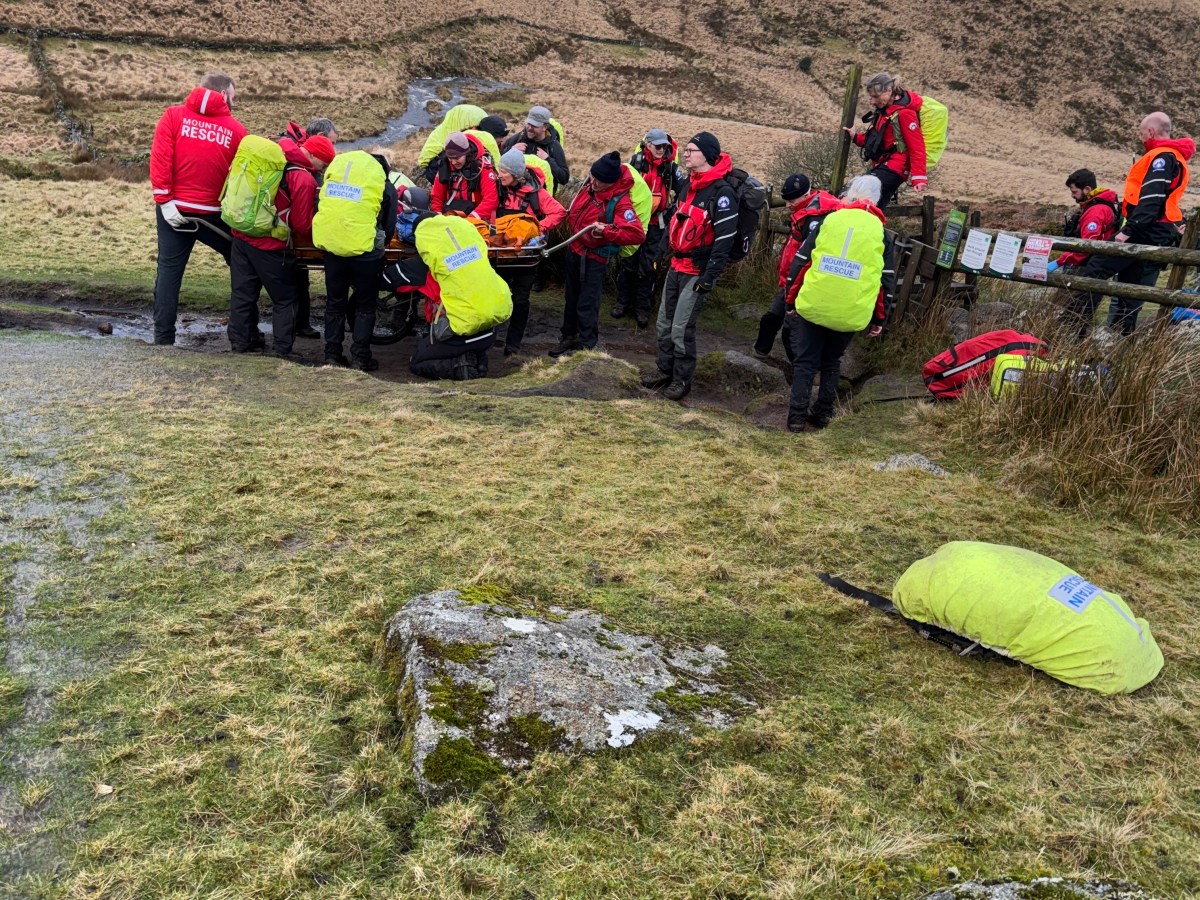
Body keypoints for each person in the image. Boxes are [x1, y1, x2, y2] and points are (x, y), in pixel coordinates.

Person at [1063, 113, 1194, 337]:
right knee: (1130, 287)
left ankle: (1072, 331)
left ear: (1151, 132)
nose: (1139, 135)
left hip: (1144, 229)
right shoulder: (1170, 155)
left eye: (1141, 131)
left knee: (1095, 270)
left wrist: (1128, 231)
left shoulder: (1161, 157)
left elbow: (1151, 199)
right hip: (1155, 229)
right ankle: (1122, 338)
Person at [780, 175, 894, 432]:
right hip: (851, 312)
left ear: (851, 193)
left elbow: (801, 262)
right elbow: (883, 281)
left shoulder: (830, 220)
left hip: (815, 303)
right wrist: (878, 319)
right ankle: (822, 414)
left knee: (806, 362)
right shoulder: (882, 234)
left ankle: (796, 419)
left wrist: (790, 299)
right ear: (877, 200)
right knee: (832, 361)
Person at [149, 72, 246, 345]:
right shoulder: (237, 130)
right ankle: (243, 332)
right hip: (214, 214)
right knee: (241, 262)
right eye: (233, 98)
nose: (234, 104)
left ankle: (164, 337)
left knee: (169, 271)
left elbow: (160, 158)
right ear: (224, 94)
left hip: (174, 208)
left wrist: (165, 200)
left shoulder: (172, 116)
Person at [641, 132, 738, 401]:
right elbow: (673, 220)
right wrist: (660, 252)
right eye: (686, 150)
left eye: (691, 150)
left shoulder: (722, 194)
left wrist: (709, 276)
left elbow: (725, 241)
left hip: (697, 271)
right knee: (663, 324)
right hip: (676, 266)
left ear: (707, 155)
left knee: (681, 329)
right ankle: (665, 370)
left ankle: (682, 380)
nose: (685, 154)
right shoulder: (690, 186)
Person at [227, 134, 334, 358]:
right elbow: (302, 225)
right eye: (323, 164)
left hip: (241, 236)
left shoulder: (276, 157)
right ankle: (282, 350)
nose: (322, 171)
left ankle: (240, 343)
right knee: (285, 299)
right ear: (312, 154)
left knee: (243, 294)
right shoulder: (303, 179)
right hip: (270, 246)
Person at [383, 210, 513, 380]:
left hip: (460, 331)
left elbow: (388, 280)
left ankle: (463, 368)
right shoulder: (476, 252)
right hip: (491, 328)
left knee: (417, 361)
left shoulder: (426, 266)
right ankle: (478, 360)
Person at [550, 151, 645, 357]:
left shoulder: (621, 203)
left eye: (598, 179)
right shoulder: (591, 187)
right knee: (571, 298)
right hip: (574, 250)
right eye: (592, 175)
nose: (592, 181)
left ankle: (586, 347)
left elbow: (636, 234)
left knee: (587, 303)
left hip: (594, 259)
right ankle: (568, 337)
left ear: (610, 182)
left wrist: (606, 231)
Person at [312, 150, 398, 371]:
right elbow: (389, 227)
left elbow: (319, 207)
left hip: (333, 250)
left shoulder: (336, 180)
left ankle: (332, 354)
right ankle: (361, 357)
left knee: (335, 303)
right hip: (366, 255)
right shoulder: (383, 185)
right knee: (365, 306)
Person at [753, 173, 845, 360]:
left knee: (792, 333)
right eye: (785, 200)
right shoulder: (806, 212)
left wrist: (796, 285)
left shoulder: (816, 219)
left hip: (802, 283)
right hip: (790, 280)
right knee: (771, 319)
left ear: (805, 195)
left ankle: (801, 372)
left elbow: (809, 257)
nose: (787, 205)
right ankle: (760, 356)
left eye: (791, 200)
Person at [494, 149, 566, 356]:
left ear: (516, 174)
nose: (500, 174)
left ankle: (513, 344)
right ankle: (490, 335)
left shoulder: (537, 194)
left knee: (520, 299)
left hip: (526, 258)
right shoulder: (497, 188)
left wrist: (536, 229)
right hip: (500, 253)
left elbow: (559, 212)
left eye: (504, 171)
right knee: (496, 294)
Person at [613, 128, 686, 327]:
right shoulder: (635, 163)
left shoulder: (670, 168)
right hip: (633, 222)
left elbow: (684, 191)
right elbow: (621, 187)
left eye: (665, 146)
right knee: (628, 262)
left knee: (648, 267)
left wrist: (672, 212)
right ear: (648, 145)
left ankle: (642, 309)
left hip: (656, 225)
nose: (662, 150)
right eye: (658, 146)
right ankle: (622, 303)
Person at [279, 118, 339, 339]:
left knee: (293, 281)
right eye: (332, 143)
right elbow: (302, 222)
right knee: (287, 289)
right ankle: (285, 342)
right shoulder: (303, 175)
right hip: (286, 237)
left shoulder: (291, 155)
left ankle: (297, 326)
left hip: (278, 233)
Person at [843, 72, 927, 211]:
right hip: (883, 165)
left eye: (876, 96)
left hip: (896, 168)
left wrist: (919, 178)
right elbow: (876, 140)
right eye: (871, 97)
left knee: (859, 194)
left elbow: (917, 147)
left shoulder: (905, 114)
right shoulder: (884, 112)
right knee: (873, 208)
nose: (873, 101)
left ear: (889, 91)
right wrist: (855, 137)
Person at [429, 132, 499, 223]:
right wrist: (438, 217)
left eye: (457, 158)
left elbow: (491, 200)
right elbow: (437, 197)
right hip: (449, 216)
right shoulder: (445, 166)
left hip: (476, 218)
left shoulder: (483, 167)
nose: (453, 162)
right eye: (450, 158)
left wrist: (470, 220)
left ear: (466, 153)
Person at [502, 106, 569, 190]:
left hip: (542, 200)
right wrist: (510, 151)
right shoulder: (518, 139)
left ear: (545, 127)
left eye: (534, 125)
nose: (529, 128)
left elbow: (564, 178)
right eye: (528, 124)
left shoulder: (553, 147)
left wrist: (548, 160)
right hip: (515, 196)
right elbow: (499, 160)